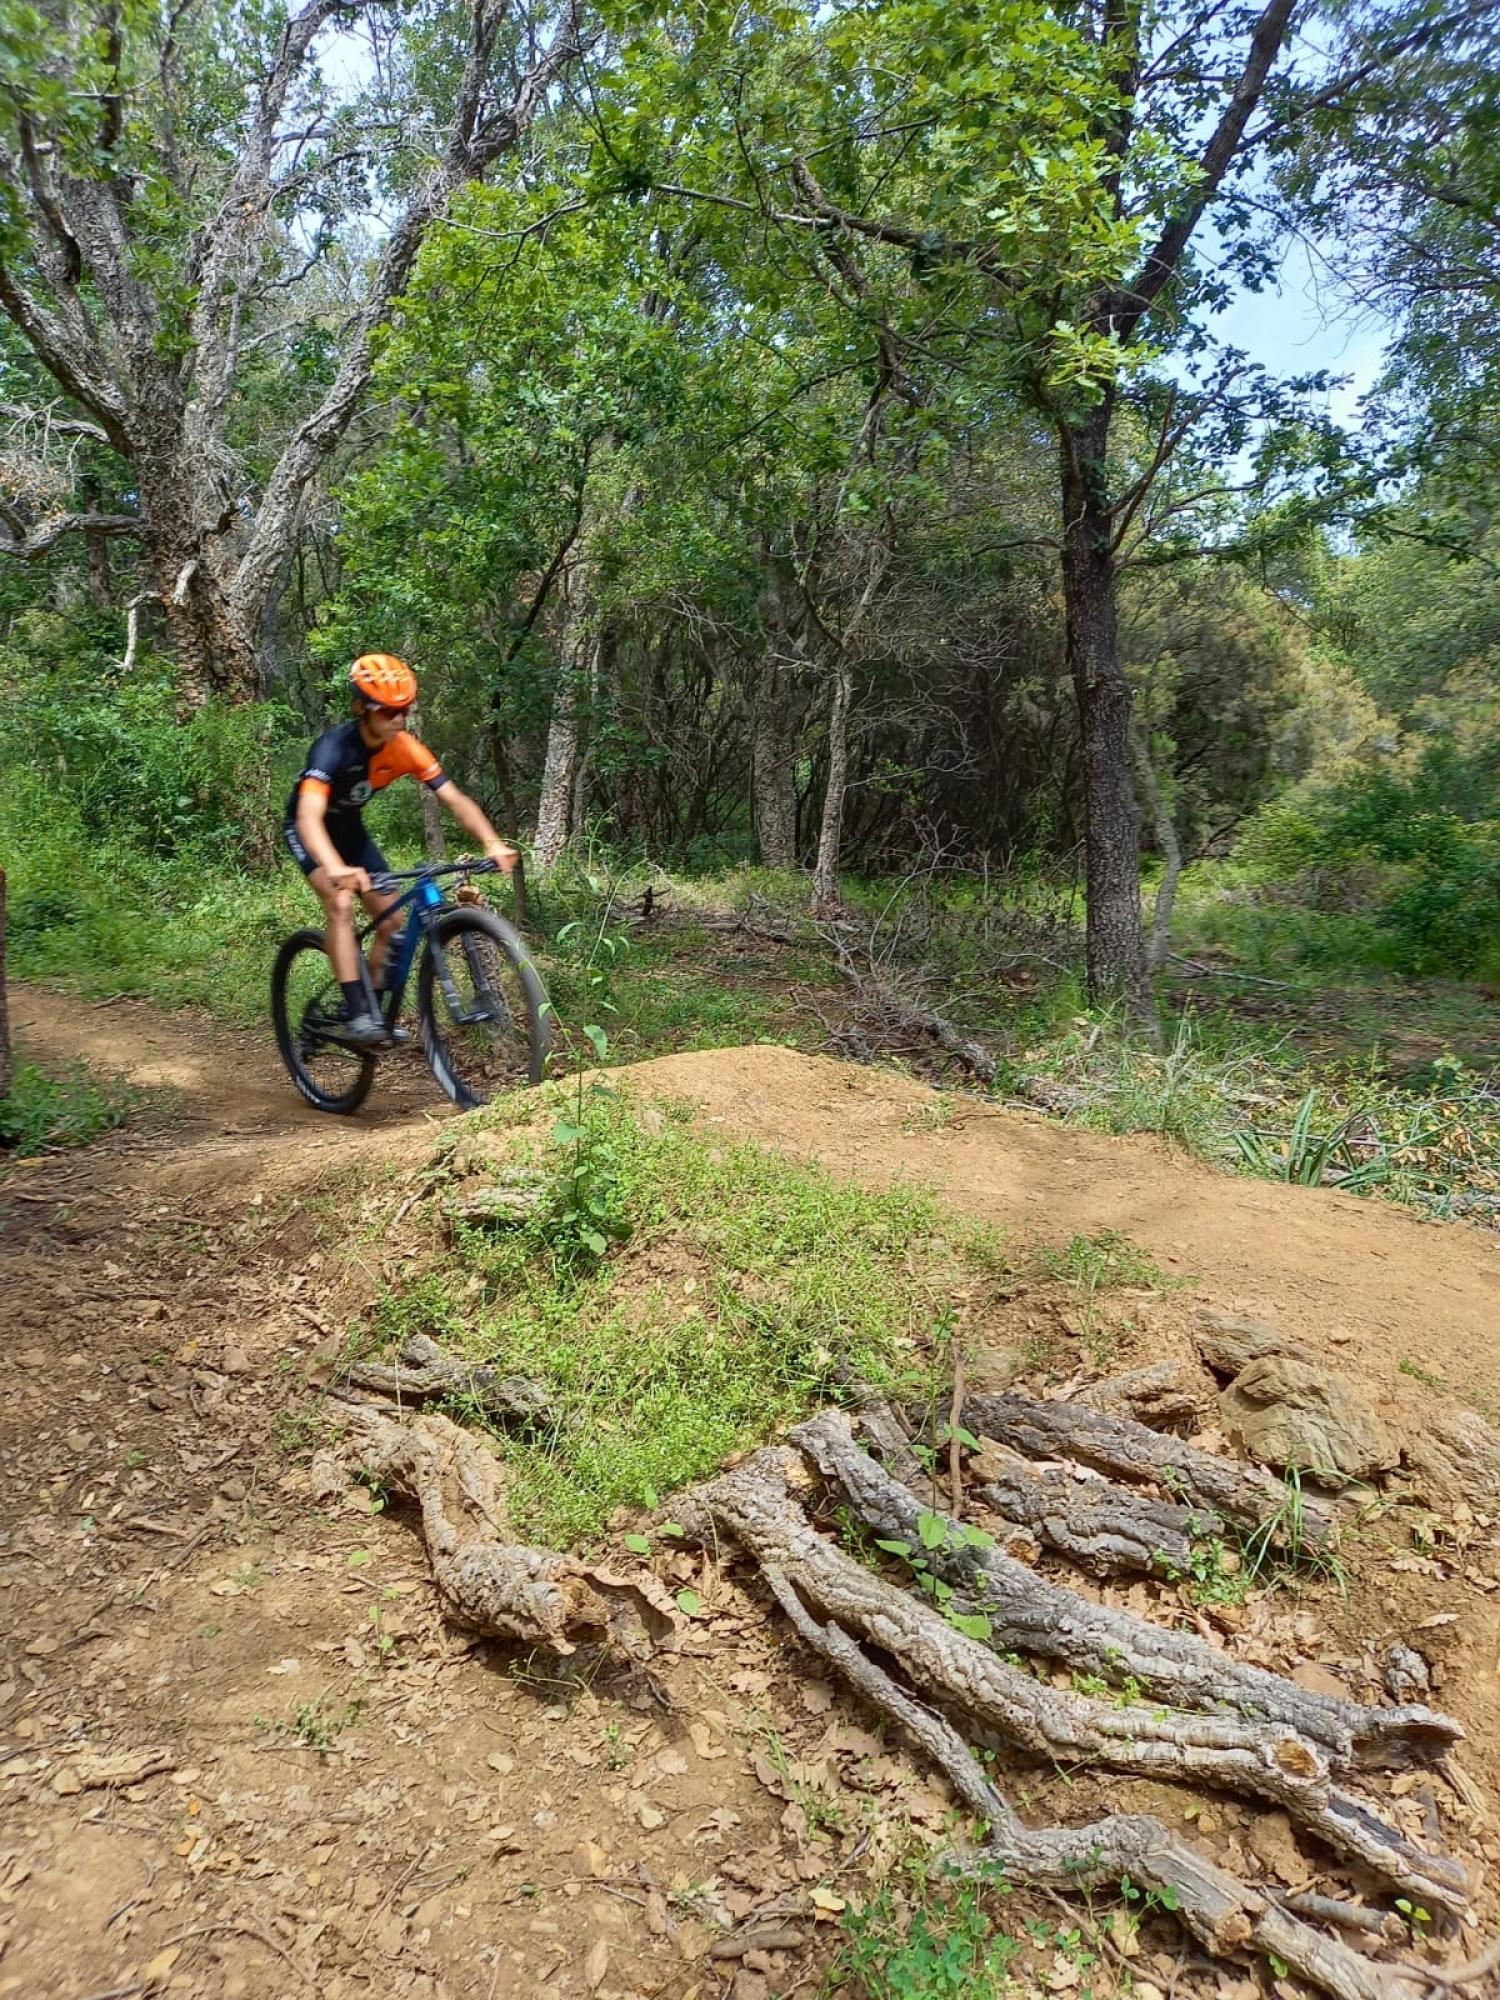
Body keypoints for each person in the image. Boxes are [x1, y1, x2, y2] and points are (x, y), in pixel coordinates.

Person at [284, 654, 518, 1046]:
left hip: (350, 831)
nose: (399, 719)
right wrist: (335, 868)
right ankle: (357, 1012)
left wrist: (491, 841)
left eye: (406, 709)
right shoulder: (333, 749)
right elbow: (309, 817)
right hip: (308, 830)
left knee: (391, 922)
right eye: (390, 711)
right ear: (361, 709)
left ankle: (373, 1014)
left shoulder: (405, 748)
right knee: (340, 903)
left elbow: (454, 799)